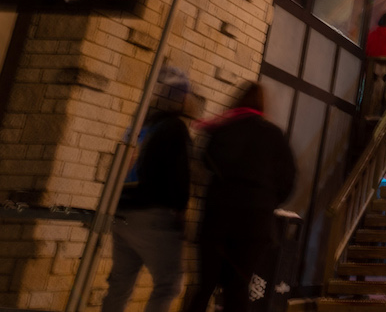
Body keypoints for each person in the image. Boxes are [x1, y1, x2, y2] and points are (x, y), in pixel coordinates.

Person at [184, 82, 296, 312]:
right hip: (253, 227)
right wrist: (268, 201)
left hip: (218, 221)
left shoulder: (222, 129)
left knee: (205, 285)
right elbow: (289, 178)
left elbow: (205, 162)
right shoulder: (273, 135)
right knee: (238, 288)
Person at [102, 66, 192, 312]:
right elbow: (178, 175)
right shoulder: (174, 127)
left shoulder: (139, 125)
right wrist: (180, 211)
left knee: (120, 284)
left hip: (122, 212)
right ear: (177, 96)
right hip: (153, 215)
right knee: (169, 283)